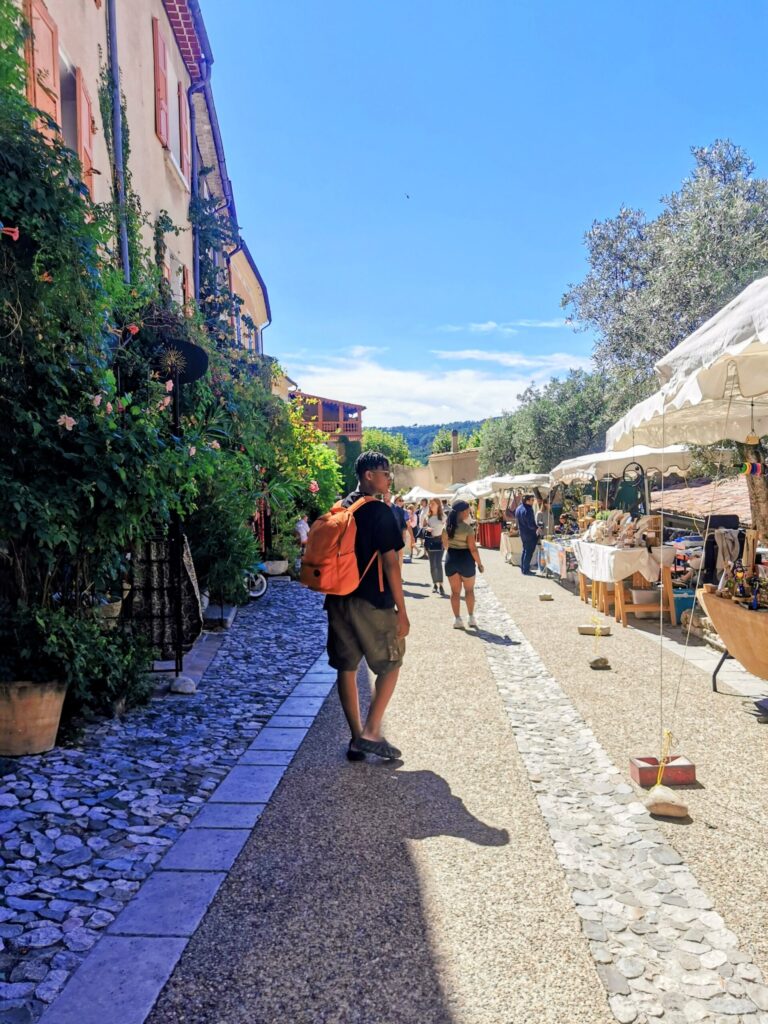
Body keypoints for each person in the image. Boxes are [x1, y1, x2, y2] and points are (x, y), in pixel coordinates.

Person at [325, 451, 410, 761]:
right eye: (385, 473)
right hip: (372, 600)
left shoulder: (341, 507)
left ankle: (355, 738)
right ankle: (372, 730)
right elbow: (391, 564)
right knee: (391, 663)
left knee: (346, 667)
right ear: (369, 475)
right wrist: (402, 611)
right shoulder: (379, 511)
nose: (389, 478)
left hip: (337, 599)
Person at [443, 499, 484, 629]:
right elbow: (473, 549)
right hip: (466, 559)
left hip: (451, 558)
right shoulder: (467, 529)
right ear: (463, 512)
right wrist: (480, 564)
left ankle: (457, 619)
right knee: (469, 590)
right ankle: (471, 617)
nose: (469, 512)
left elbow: (446, 546)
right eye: (468, 510)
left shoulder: (446, 527)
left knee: (455, 592)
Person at [424, 497, 446, 594]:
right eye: (430, 503)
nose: (431, 505)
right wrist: (426, 528)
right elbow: (423, 527)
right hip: (430, 541)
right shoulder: (427, 516)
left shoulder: (443, 516)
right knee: (432, 564)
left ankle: (441, 585)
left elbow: (447, 530)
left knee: (438, 563)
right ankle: (435, 584)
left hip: (440, 541)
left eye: (433, 503)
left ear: (438, 505)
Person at [515, 493, 539, 576]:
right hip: (529, 533)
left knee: (525, 550)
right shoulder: (528, 509)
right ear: (527, 501)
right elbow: (530, 524)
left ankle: (524, 569)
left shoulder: (518, 508)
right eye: (532, 500)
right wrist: (537, 528)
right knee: (528, 552)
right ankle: (526, 570)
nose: (533, 501)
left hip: (523, 533)